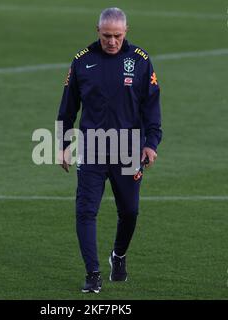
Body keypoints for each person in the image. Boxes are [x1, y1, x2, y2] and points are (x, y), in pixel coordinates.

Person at [56, 7, 162, 293]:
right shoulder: (82, 62)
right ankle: (93, 274)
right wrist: (63, 144)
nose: (112, 41)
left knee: (129, 211)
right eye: (106, 36)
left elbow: (151, 106)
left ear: (126, 32)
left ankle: (118, 256)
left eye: (117, 36)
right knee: (85, 212)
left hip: (128, 148)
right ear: (97, 31)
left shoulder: (140, 61)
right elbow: (67, 108)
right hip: (91, 148)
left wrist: (151, 144)